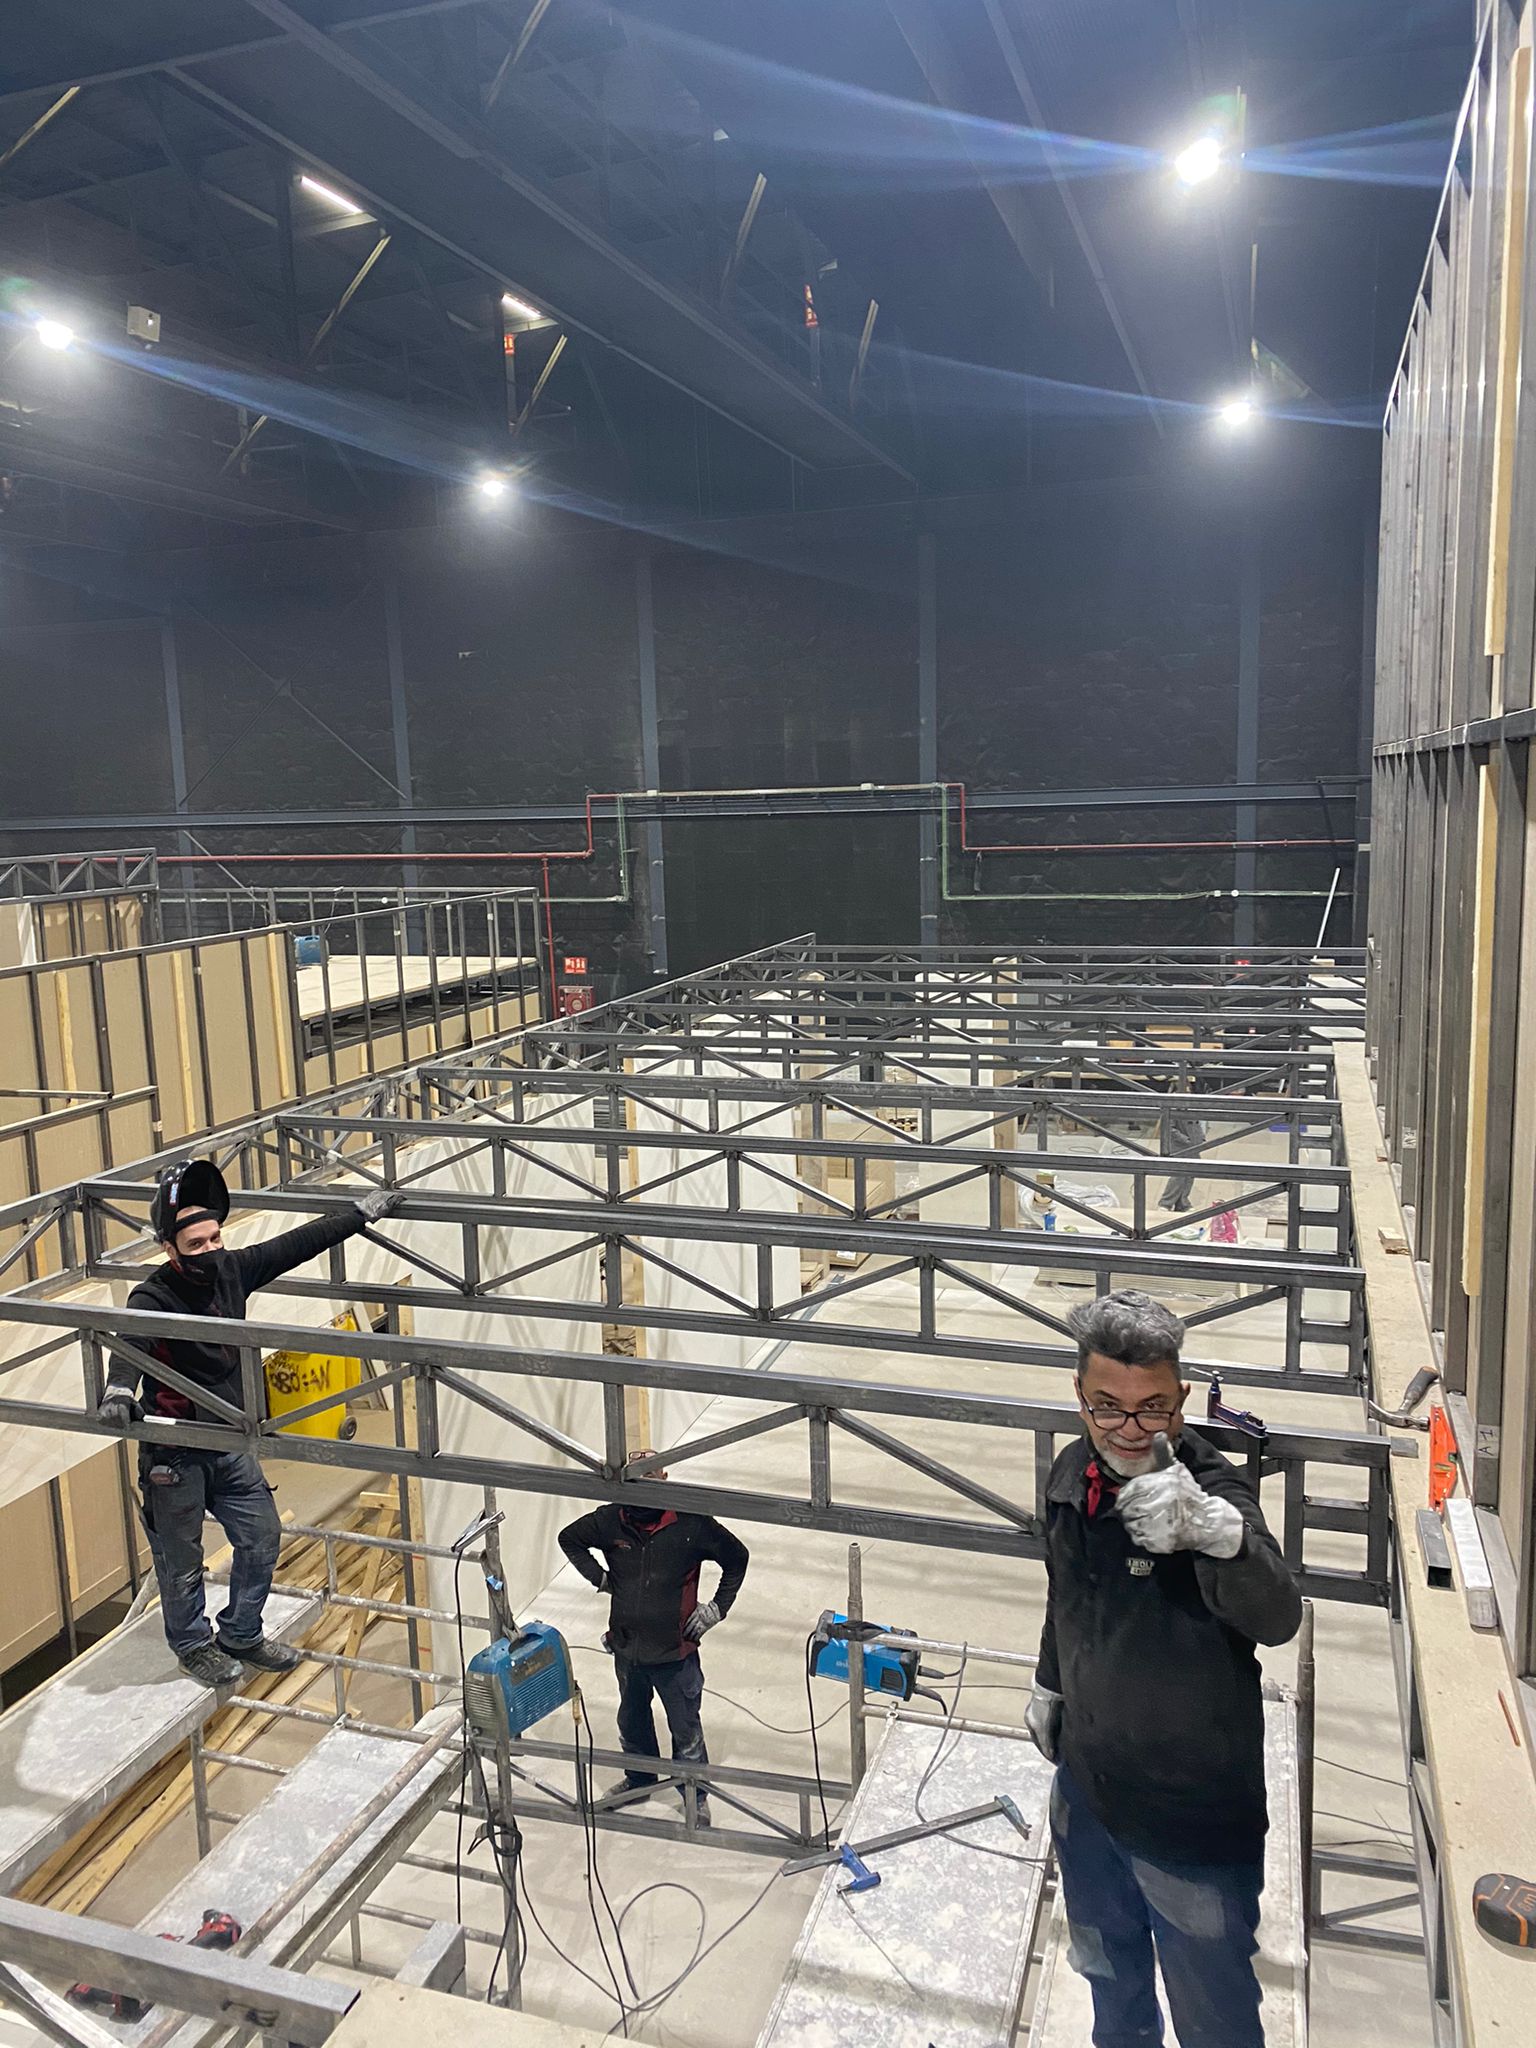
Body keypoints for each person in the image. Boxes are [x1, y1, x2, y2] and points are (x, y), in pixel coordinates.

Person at [1026, 1289, 1302, 2048]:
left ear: (1181, 1400)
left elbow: (1278, 1618)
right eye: (1107, 1407)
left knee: (1213, 2020)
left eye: (1153, 1408)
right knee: (1111, 1991)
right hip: (1087, 1802)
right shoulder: (1069, 1476)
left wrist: (1222, 1540)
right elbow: (1065, 1594)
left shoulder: (1212, 1491)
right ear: (1079, 1398)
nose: (1128, 1430)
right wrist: (1051, 1681)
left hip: (1192, 1828)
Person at [99, 1159, 399, 1687]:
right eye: (196, 1245)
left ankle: (241, 1632)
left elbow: (295, 1244)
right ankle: (193, 1644)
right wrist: (119, 1389)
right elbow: (129, 1342)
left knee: (262, 1536)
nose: (210, 1251)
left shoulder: (232, 1269)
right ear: (169, 1250)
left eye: (215, 1239)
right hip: (175, 1454)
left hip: (231, 1442)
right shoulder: (153, 1296)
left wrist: (356, 1215)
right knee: (181, 1559)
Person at [558, 1455, 749, 1827]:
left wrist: (716, 1609)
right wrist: (599, 1578)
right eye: (634, 1476)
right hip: (627, 1649)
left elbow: (737, 1557)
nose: (642, 1483)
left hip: (675, 1653)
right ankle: (640, 1779)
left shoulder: (691, 1524)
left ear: (665, 1477)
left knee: (685, 1728)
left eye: (649, 1474)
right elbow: (570, 1539)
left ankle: (693, 1792)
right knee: (632, 1721)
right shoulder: (611, 1519)